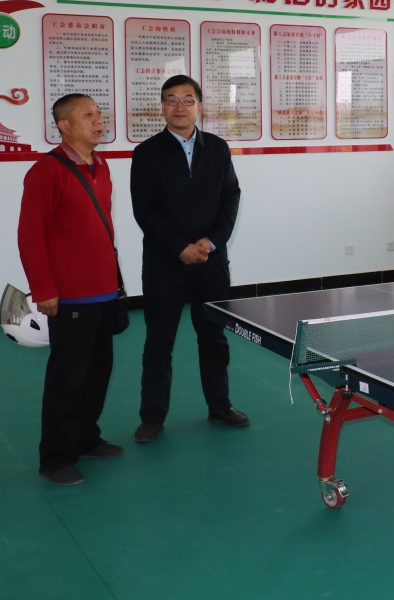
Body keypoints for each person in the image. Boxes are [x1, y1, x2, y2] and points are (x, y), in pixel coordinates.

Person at [131, 75, 246, 443]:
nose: (179, 106)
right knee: (158, 342)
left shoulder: (218, 148)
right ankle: (152, 417)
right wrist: (180, 247)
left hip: (211, 264)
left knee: (213, 339)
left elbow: (231, 198)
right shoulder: (146, 153)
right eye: (171, 99)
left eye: (187, 99)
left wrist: (210, 242)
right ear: (162, 107)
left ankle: (220, 406)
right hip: (165, 264)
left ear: (200, 106)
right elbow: (144, 210)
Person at [17, 94, 125, 485]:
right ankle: (56, 457)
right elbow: (30, 235)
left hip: (104, 291)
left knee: (97, 373)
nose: (98, 120)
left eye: (99, 113)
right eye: (87, 115)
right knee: (68, 379)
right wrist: (44, 288)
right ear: (64, 126)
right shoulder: (47, 171)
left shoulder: (101, 165)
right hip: (70, 296)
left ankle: (86, 438)